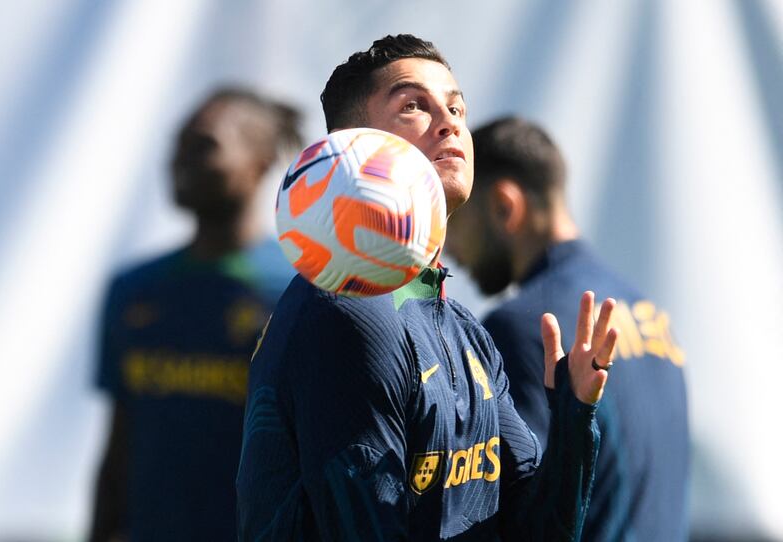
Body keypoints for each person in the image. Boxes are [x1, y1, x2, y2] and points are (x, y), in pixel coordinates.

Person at [236, 35, 620, 541]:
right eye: (414, 106)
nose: (451, 122)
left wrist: (573, 419)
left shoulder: (461, 326)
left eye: (456, 106)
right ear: (354, 143)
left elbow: (537, 532)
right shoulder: (346, 313)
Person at [445, 116, 690, 541]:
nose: (448, 245)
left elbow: (525, 513)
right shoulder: (648, 311)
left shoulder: (529, 326)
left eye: (455, 215)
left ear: (505, 206)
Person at [89, 86, 302, 542]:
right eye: (178, 145)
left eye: (204, 144)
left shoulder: (296, 294)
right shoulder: (132, 290)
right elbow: (121, 439)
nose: (180, 160)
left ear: (260, 162)